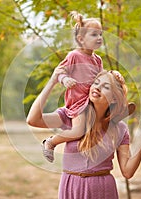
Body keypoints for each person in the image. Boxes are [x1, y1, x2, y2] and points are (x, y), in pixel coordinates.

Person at [27, 67, 141, 199]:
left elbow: (127, 171)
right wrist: (53, 81)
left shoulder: (119, 129)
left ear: (113, 99)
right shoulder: (71, 115)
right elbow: (33, 120)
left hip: (103, 190)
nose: (97, 88)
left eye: (105, 86)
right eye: (96, 83)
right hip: (71, 188)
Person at [35, 11, 135, 162]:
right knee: (78, 130)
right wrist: (65, 79)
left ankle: (115, 113)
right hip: (77, 103)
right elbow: (60, 72)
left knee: (107, 103)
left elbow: (102, 76)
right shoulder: (73, 56)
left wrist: (114, 74)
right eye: (94, 34)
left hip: (90, 100)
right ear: (81, 39)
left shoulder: (97, 59)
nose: (99, 38)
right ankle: (51, 142)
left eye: (100, 34)